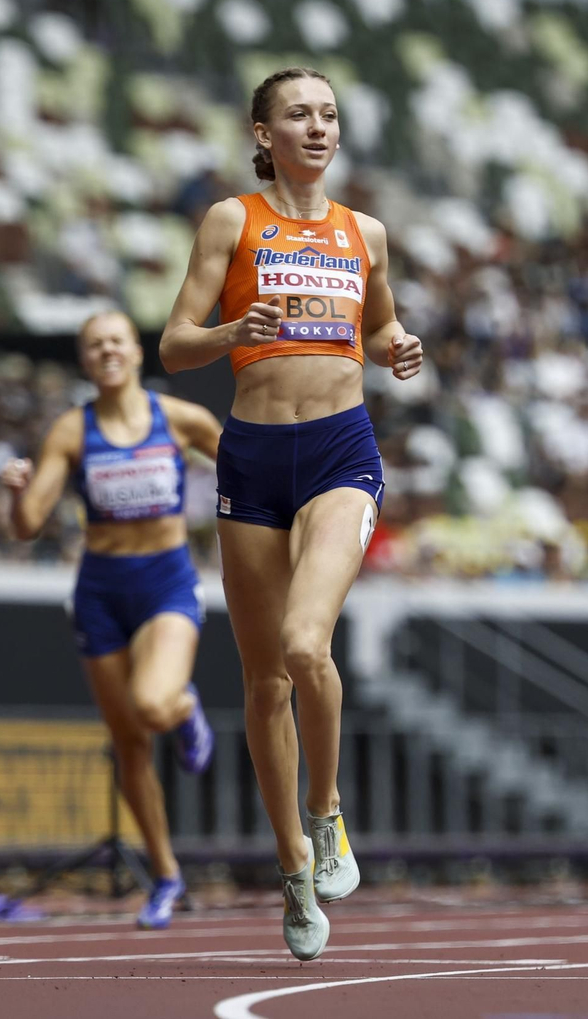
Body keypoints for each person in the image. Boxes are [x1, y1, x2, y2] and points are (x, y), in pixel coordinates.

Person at [159, 66, 423, 961]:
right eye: (299, 114)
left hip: (342, 452)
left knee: (309, 646)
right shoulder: (233, 220)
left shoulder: (366, 234)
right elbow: (175, 341)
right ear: (263, 132)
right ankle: (293, 870)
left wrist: (397, 346)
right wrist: (236, 334)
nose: (318, 126)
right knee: (265, 677)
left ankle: (328, 810)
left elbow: (379, 326)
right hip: (254, 458)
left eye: (329, 114)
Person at [3, 309, 222, 930]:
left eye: (116, 341)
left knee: (152, 706)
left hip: (166, 584)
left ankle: (185, 710)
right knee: (128, 743)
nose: (107, 352)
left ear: (137, 352)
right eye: (94, 345)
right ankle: (165, 875)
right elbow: (25, 527)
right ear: (84, 360)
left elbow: (246, 466)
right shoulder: (71, 431)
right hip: (100, 590)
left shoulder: (179, 419)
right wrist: (18, 489)